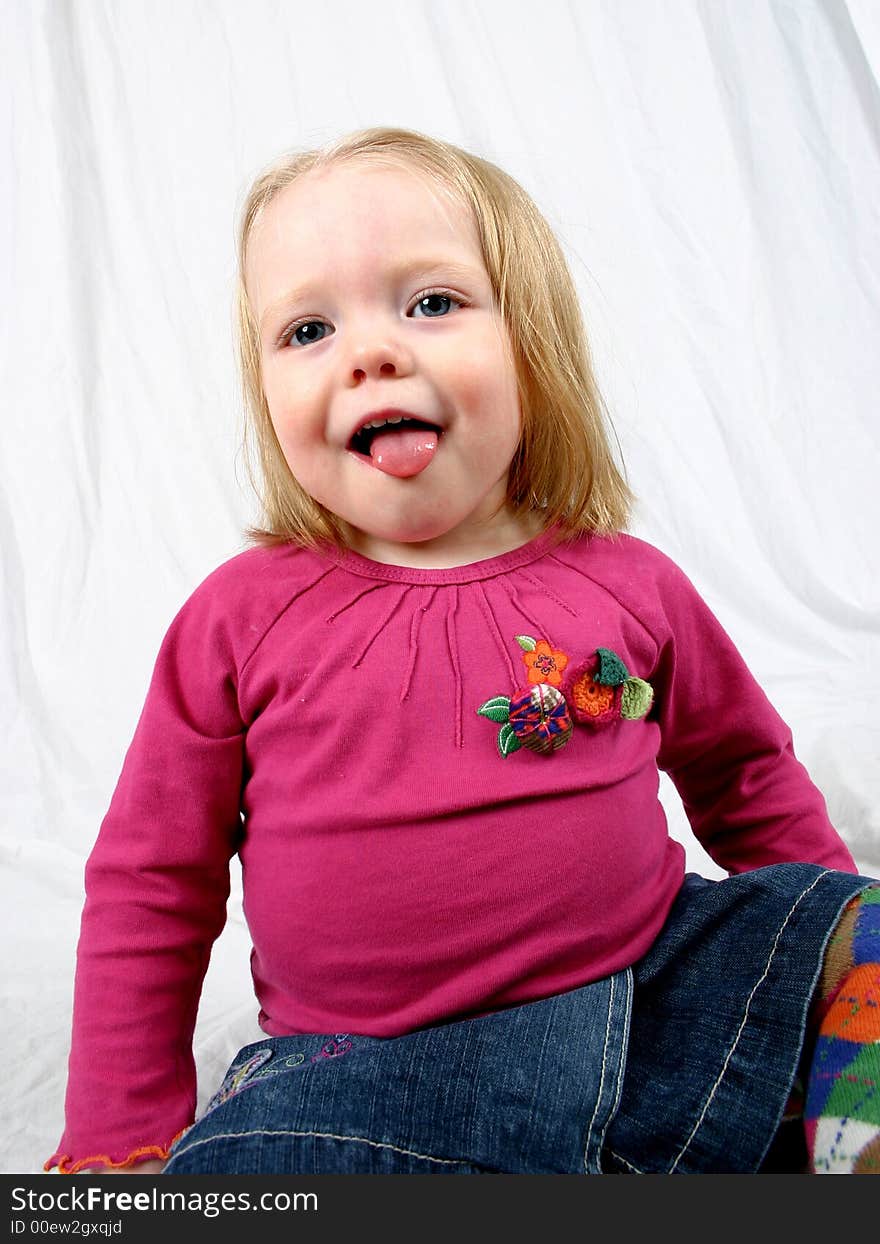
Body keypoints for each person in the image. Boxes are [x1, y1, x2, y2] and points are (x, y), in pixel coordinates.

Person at [46, 126, 879, 1177]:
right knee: (234, 1179)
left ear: (532, 341)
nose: (370, 351)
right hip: (369, 1073)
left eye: (430, 303)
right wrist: (120, 1125)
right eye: (306, 327)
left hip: (658, 986)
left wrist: (813, 953)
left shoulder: (627, 581)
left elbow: (742, 769)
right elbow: (151, 877)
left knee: (865, 923)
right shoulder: (238, 617)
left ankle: (845, 1147)